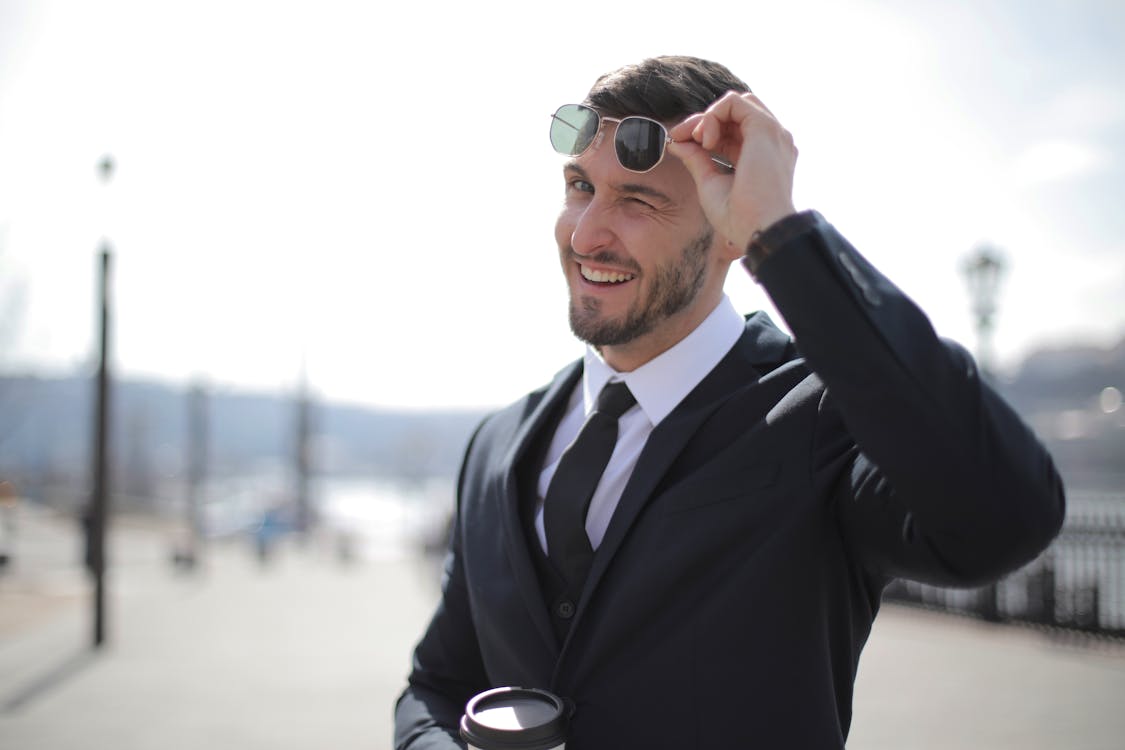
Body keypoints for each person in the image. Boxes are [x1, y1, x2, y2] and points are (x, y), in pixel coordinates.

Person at [393, 56, 1065, 749]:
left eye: (637, 200)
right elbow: (438, 685)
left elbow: (1006, 517)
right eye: (578, 186)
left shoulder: (820, 419)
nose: (585, 232)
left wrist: (783, 231)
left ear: (726, 229)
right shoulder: (498, 443)